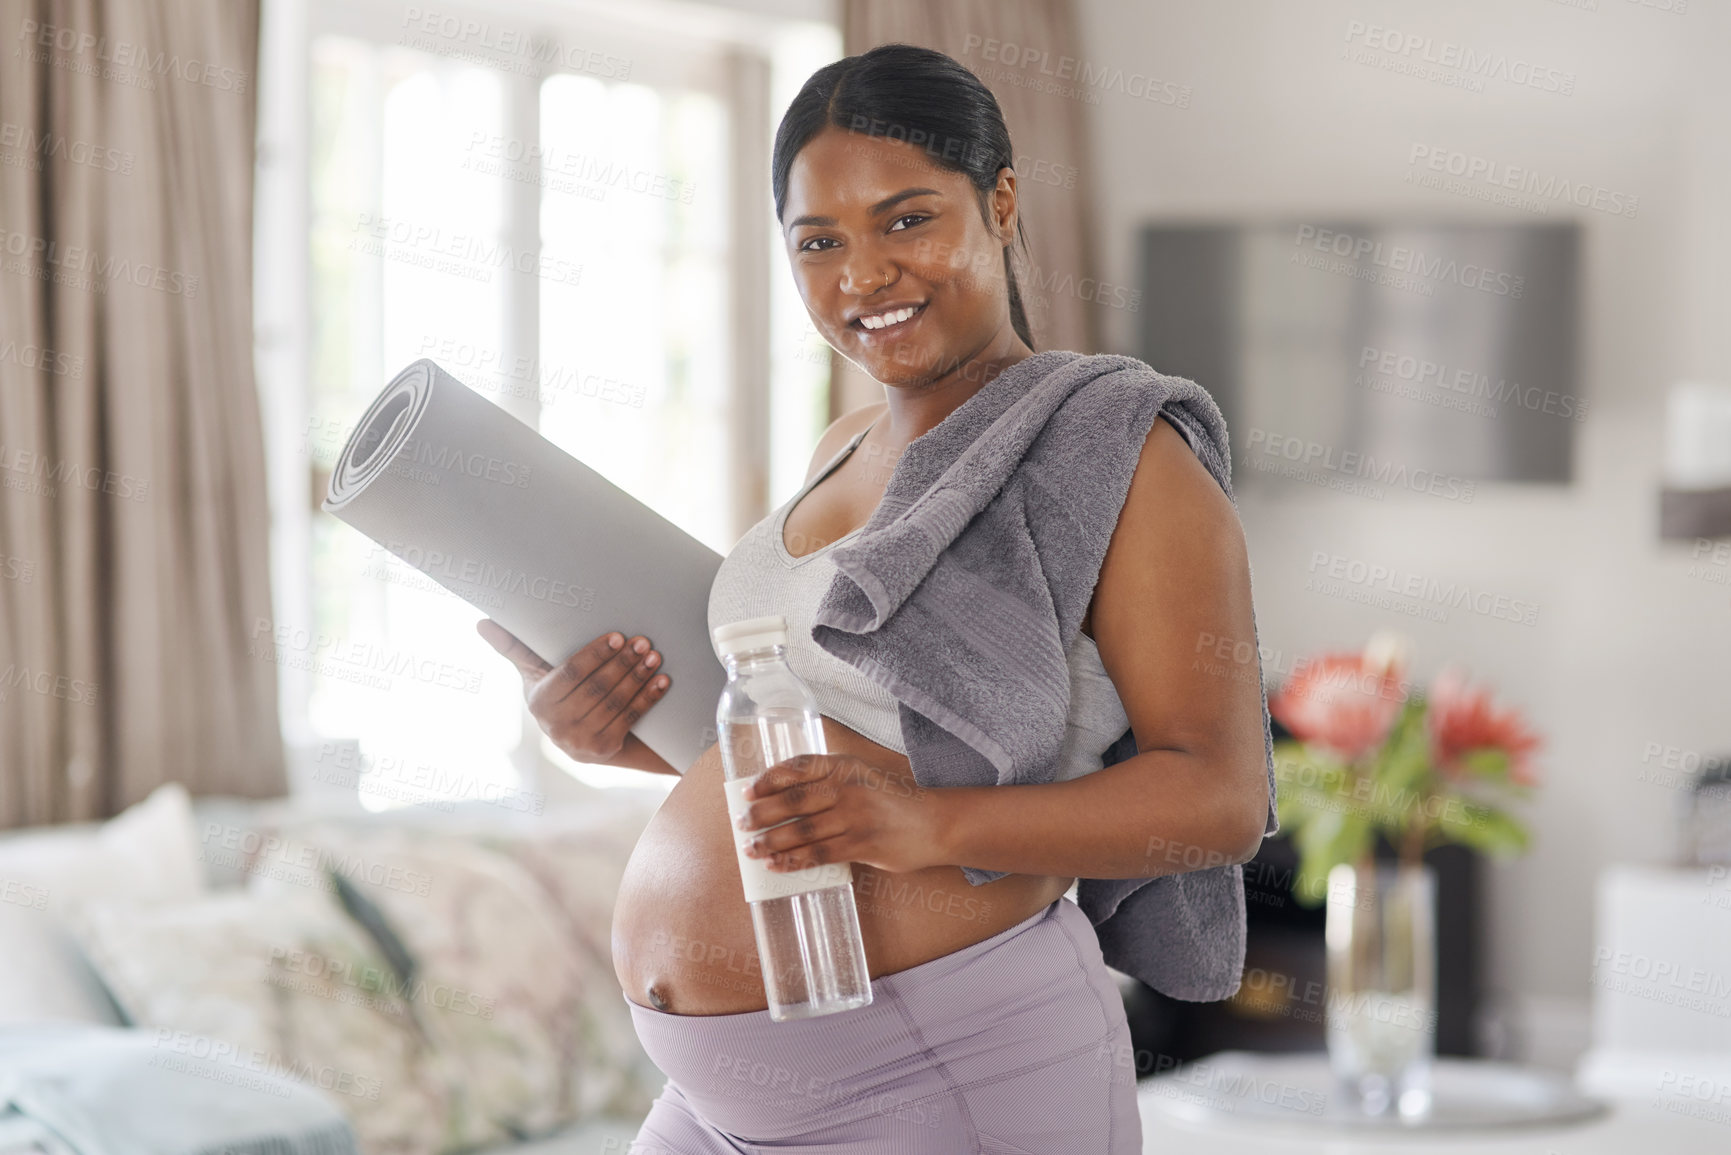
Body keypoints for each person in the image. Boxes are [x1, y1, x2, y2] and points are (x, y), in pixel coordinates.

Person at [478, 42, 1271, 1154]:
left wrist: (929, 824)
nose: (864, 276)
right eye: (820, 242)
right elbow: (848, 752)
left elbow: (1221, 799)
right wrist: (630, 742)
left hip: (952, 1067)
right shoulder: (837, 449)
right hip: (722, 1095)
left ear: (1000, 203)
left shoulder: (1120, 451)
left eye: (907, 221)